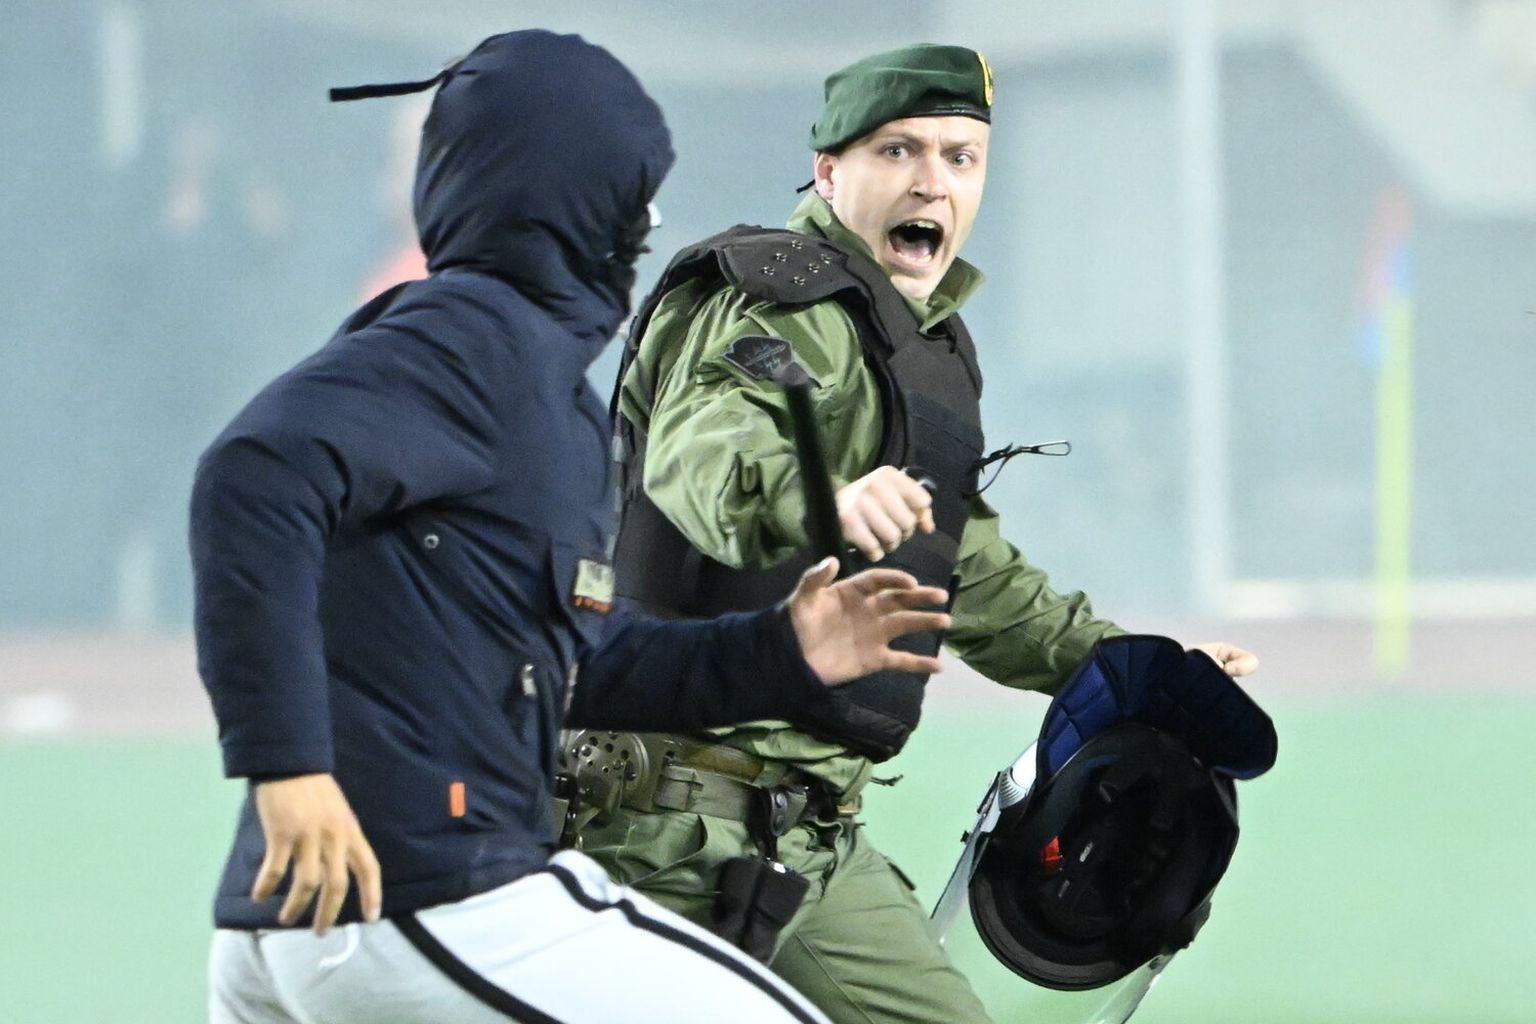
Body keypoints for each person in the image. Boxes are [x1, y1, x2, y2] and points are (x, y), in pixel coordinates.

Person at [191, 30, 957, 1024]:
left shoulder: (531, 386)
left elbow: (577, 666)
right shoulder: (474, 341)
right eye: (634, 193)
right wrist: (286, 764)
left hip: (315, 916)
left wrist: (779, 653)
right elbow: (252, 475)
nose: (645, 225)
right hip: (424, 894)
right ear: (583, 199)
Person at [577, 43, 1260, 1024]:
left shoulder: (918, 353)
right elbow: (703, 457)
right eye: (897, 151)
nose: (932, 181)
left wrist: (1135, 670)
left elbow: (966, 571)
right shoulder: (769, 301)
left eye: (959, 156)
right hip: (659, 832)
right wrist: (824, 497)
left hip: (805, 844)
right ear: (829, 172)